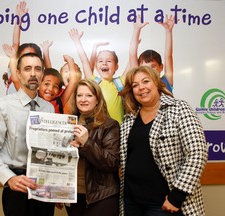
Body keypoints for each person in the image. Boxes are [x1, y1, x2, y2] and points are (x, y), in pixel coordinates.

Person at [119, 66, 208, 216]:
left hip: (164, 203)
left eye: (145, 81)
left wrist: (177, 196)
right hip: (132, 203)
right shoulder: (129, 118)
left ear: (156, 83)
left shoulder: (179, 109)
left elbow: (197, 154)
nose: (141, 88)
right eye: (135, 85)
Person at [0, 52, 55, 216]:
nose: (33, 74)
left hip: (44, 186)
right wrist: (9, 178)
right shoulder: (2, 106)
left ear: (43, 73)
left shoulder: (49, 108)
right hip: (17, 186)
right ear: (19, 74)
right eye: (27, 69)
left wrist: (57, 185)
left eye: (37, 69)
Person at [65, 79, 120, 216]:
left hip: (102, 196)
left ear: (97, 100)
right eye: (79, 95)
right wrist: (58, 191)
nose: (83, 99)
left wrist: (87, 142)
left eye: (89, 95)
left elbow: (112, 162)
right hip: (73, 195)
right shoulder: (68, 124)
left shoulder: (109, 125)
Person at [69, 28, 130, 125]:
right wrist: (77, 41)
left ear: (116, 67)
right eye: (100, 61)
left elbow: (132, 59)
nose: (104, 63)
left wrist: (136, 31)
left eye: (109, 61)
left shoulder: (120, 82)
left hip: (117, 132)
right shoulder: (94, 82)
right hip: (98, 130)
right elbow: (84, 60)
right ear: (96, 67)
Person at [129, 14, 176, 93]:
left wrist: (168, 31)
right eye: (144, 67)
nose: (149, 70)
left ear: (161, 67)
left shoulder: (166, 82)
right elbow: (132, 55)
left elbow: (168, 56)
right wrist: (137, 29)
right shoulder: (139, 84)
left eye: (153, 66)